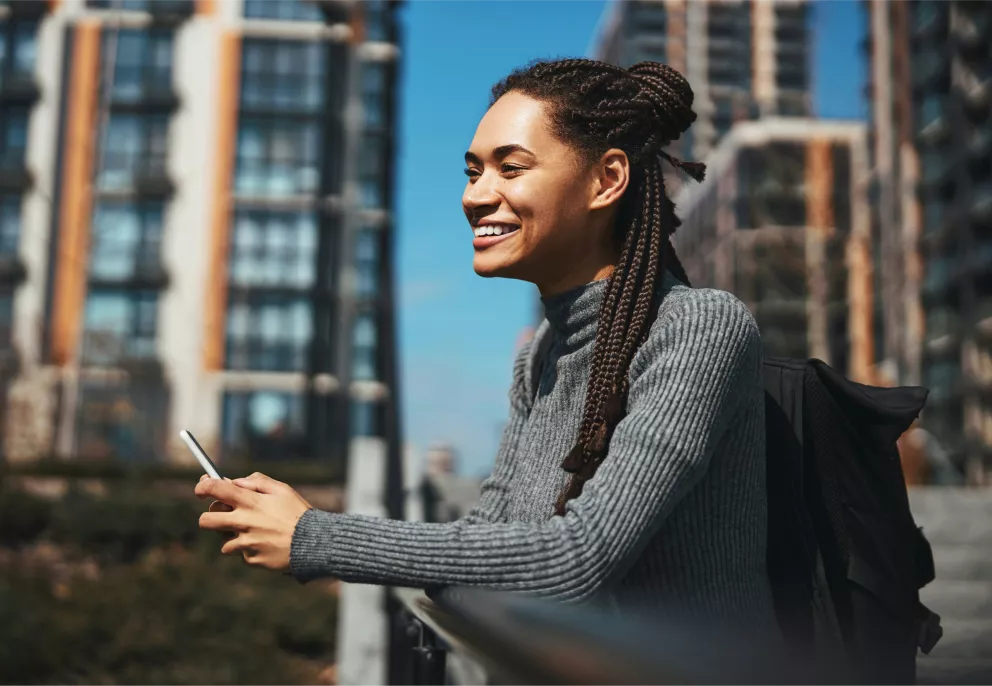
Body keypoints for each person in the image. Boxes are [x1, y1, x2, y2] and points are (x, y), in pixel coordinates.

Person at [196, 58, 777, 635]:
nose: (477, 195)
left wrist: (317, 537)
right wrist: (479, 573)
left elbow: (580, 558)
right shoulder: (541, 353)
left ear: (607, 180)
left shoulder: (699, 328)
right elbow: (485, 537)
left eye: (511, 168)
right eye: (474, 172)